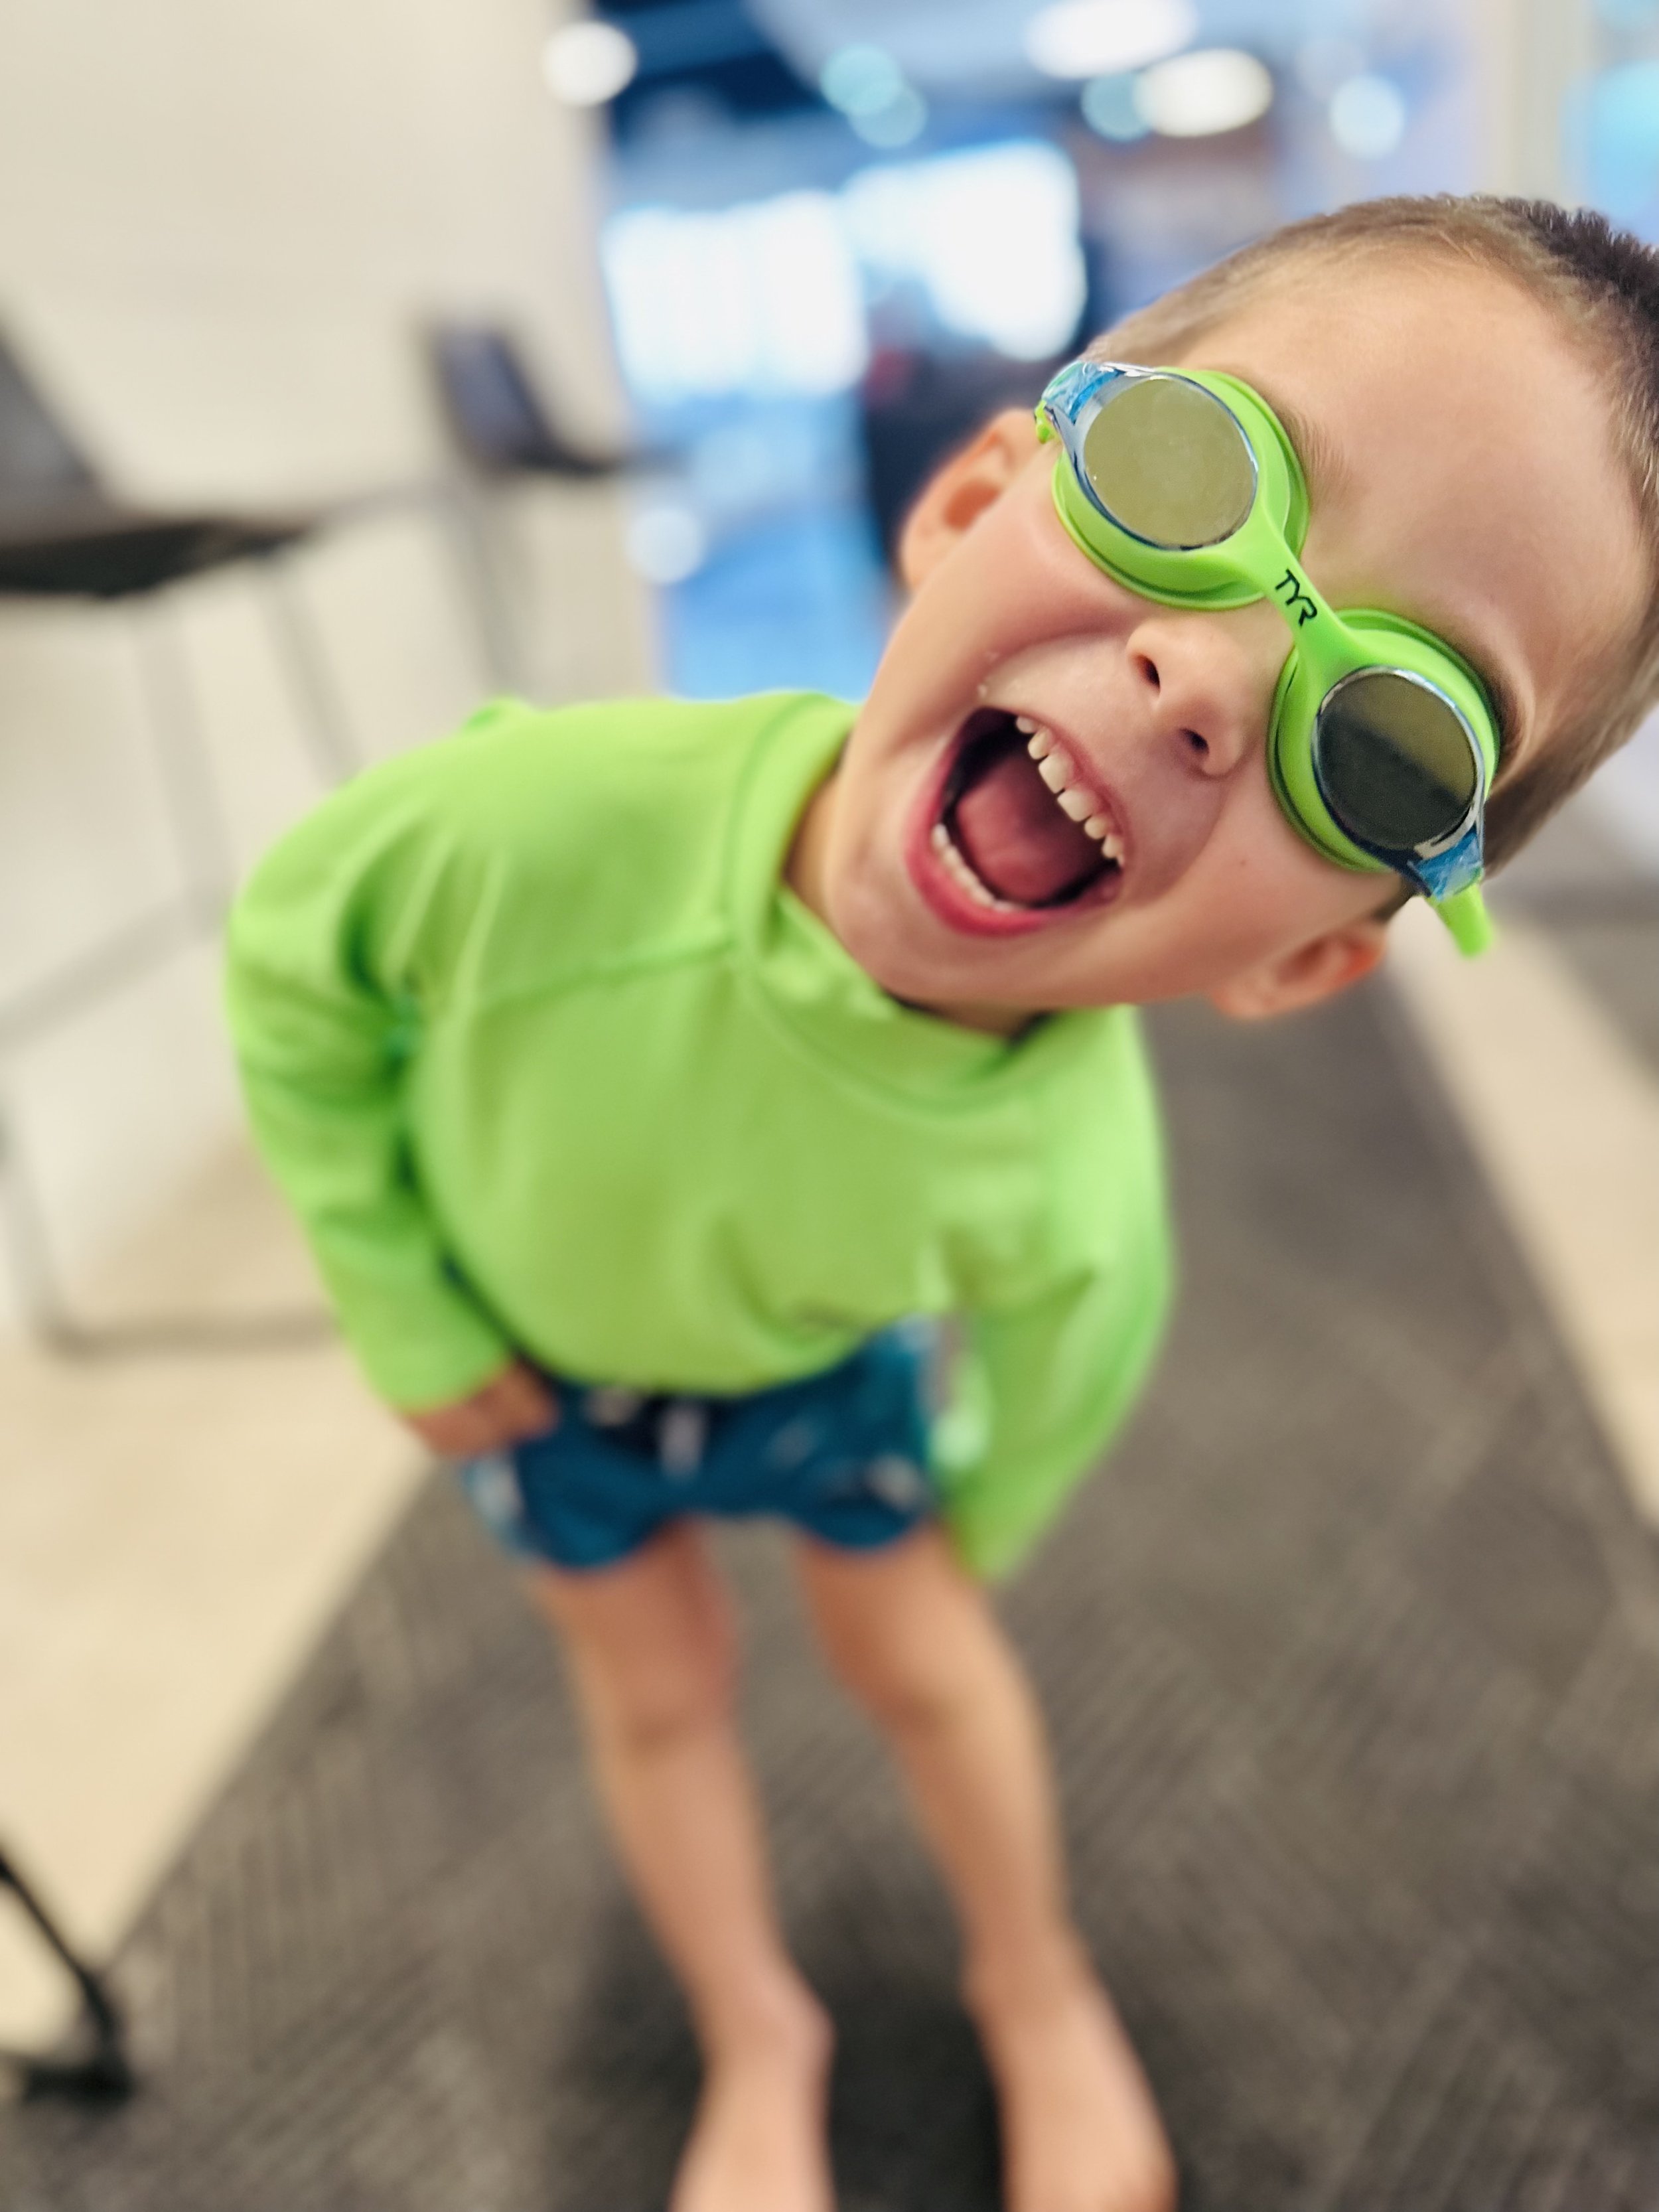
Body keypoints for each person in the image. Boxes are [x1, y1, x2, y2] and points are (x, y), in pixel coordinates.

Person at [225, 195, 1659, 2212]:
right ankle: (757, 2030)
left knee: (925, 1665)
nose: (1202, 679)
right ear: (974, 491)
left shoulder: (1067, 1167)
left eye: (1389, 740)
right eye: (1193, 476)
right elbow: (294, 963)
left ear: (1310, 961)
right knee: (653, 1698)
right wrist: (404, 1307)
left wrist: (971, 1514)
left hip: (824, 1379)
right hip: (533, 1367)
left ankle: (1033, 1978)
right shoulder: (527, 828)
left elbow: (1085, 1347)